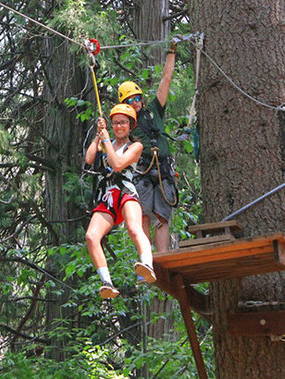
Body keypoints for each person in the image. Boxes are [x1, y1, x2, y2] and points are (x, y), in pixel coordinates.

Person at [85, 104, 156, 299]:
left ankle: (147, 264)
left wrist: (106, 140)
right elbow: (89, 158)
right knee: (91, 236)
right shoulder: (105, 141)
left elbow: (117, 165)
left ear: (131, 125)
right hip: (107, 195)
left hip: (126, 191)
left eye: (123, 122)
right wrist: (99, 136)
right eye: (115, 123)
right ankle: (106, 282)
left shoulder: (136, 146)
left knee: (134, 228)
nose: (118, 127)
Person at [118, 39, 179, 258]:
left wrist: (171, 52)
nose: (135, 102)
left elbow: (166, 80)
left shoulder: (154, 110)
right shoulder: (125, 123)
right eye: (130, 100)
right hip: (142, 172)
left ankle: (162, 258)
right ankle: (146, 259)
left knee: (161, 217)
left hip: (163, 170)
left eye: (137, 98)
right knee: (143, 216)